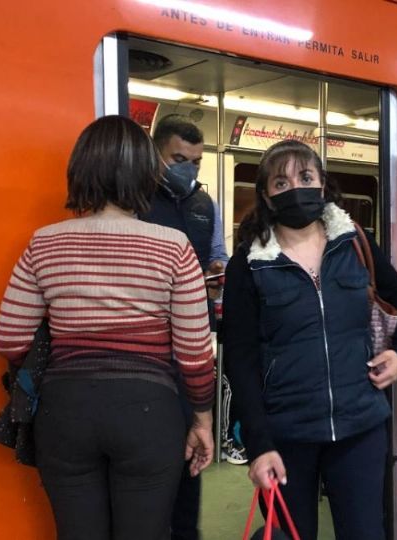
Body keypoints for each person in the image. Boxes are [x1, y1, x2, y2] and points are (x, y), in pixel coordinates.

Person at [0, 115, 215, 540]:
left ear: (81, 169)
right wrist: (202, 420)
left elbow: (9, 336)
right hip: (148, 412)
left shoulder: (45, 242)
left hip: (65, 411)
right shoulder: (174, 246)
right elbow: (194, 354)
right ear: (147, 173)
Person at [222, 139, 397, 540]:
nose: (295, 187)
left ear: (323, 184)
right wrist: (259, 445)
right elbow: (239, 360)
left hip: (359, 424)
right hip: (286, 432)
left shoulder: (355, 243)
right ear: (266, 195)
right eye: (281, 182)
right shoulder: (249, 263)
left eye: (305, 177)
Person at [139, 114, 243, 540]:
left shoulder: (205, 205)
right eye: (179, 158)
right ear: (156, 156)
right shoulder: (135, 199)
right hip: (145, 340)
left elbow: (217, 255)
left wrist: (220, 270)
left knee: (191, 446)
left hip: (193, 337)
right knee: (149, 450)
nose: (189, 169)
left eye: (196, 161)